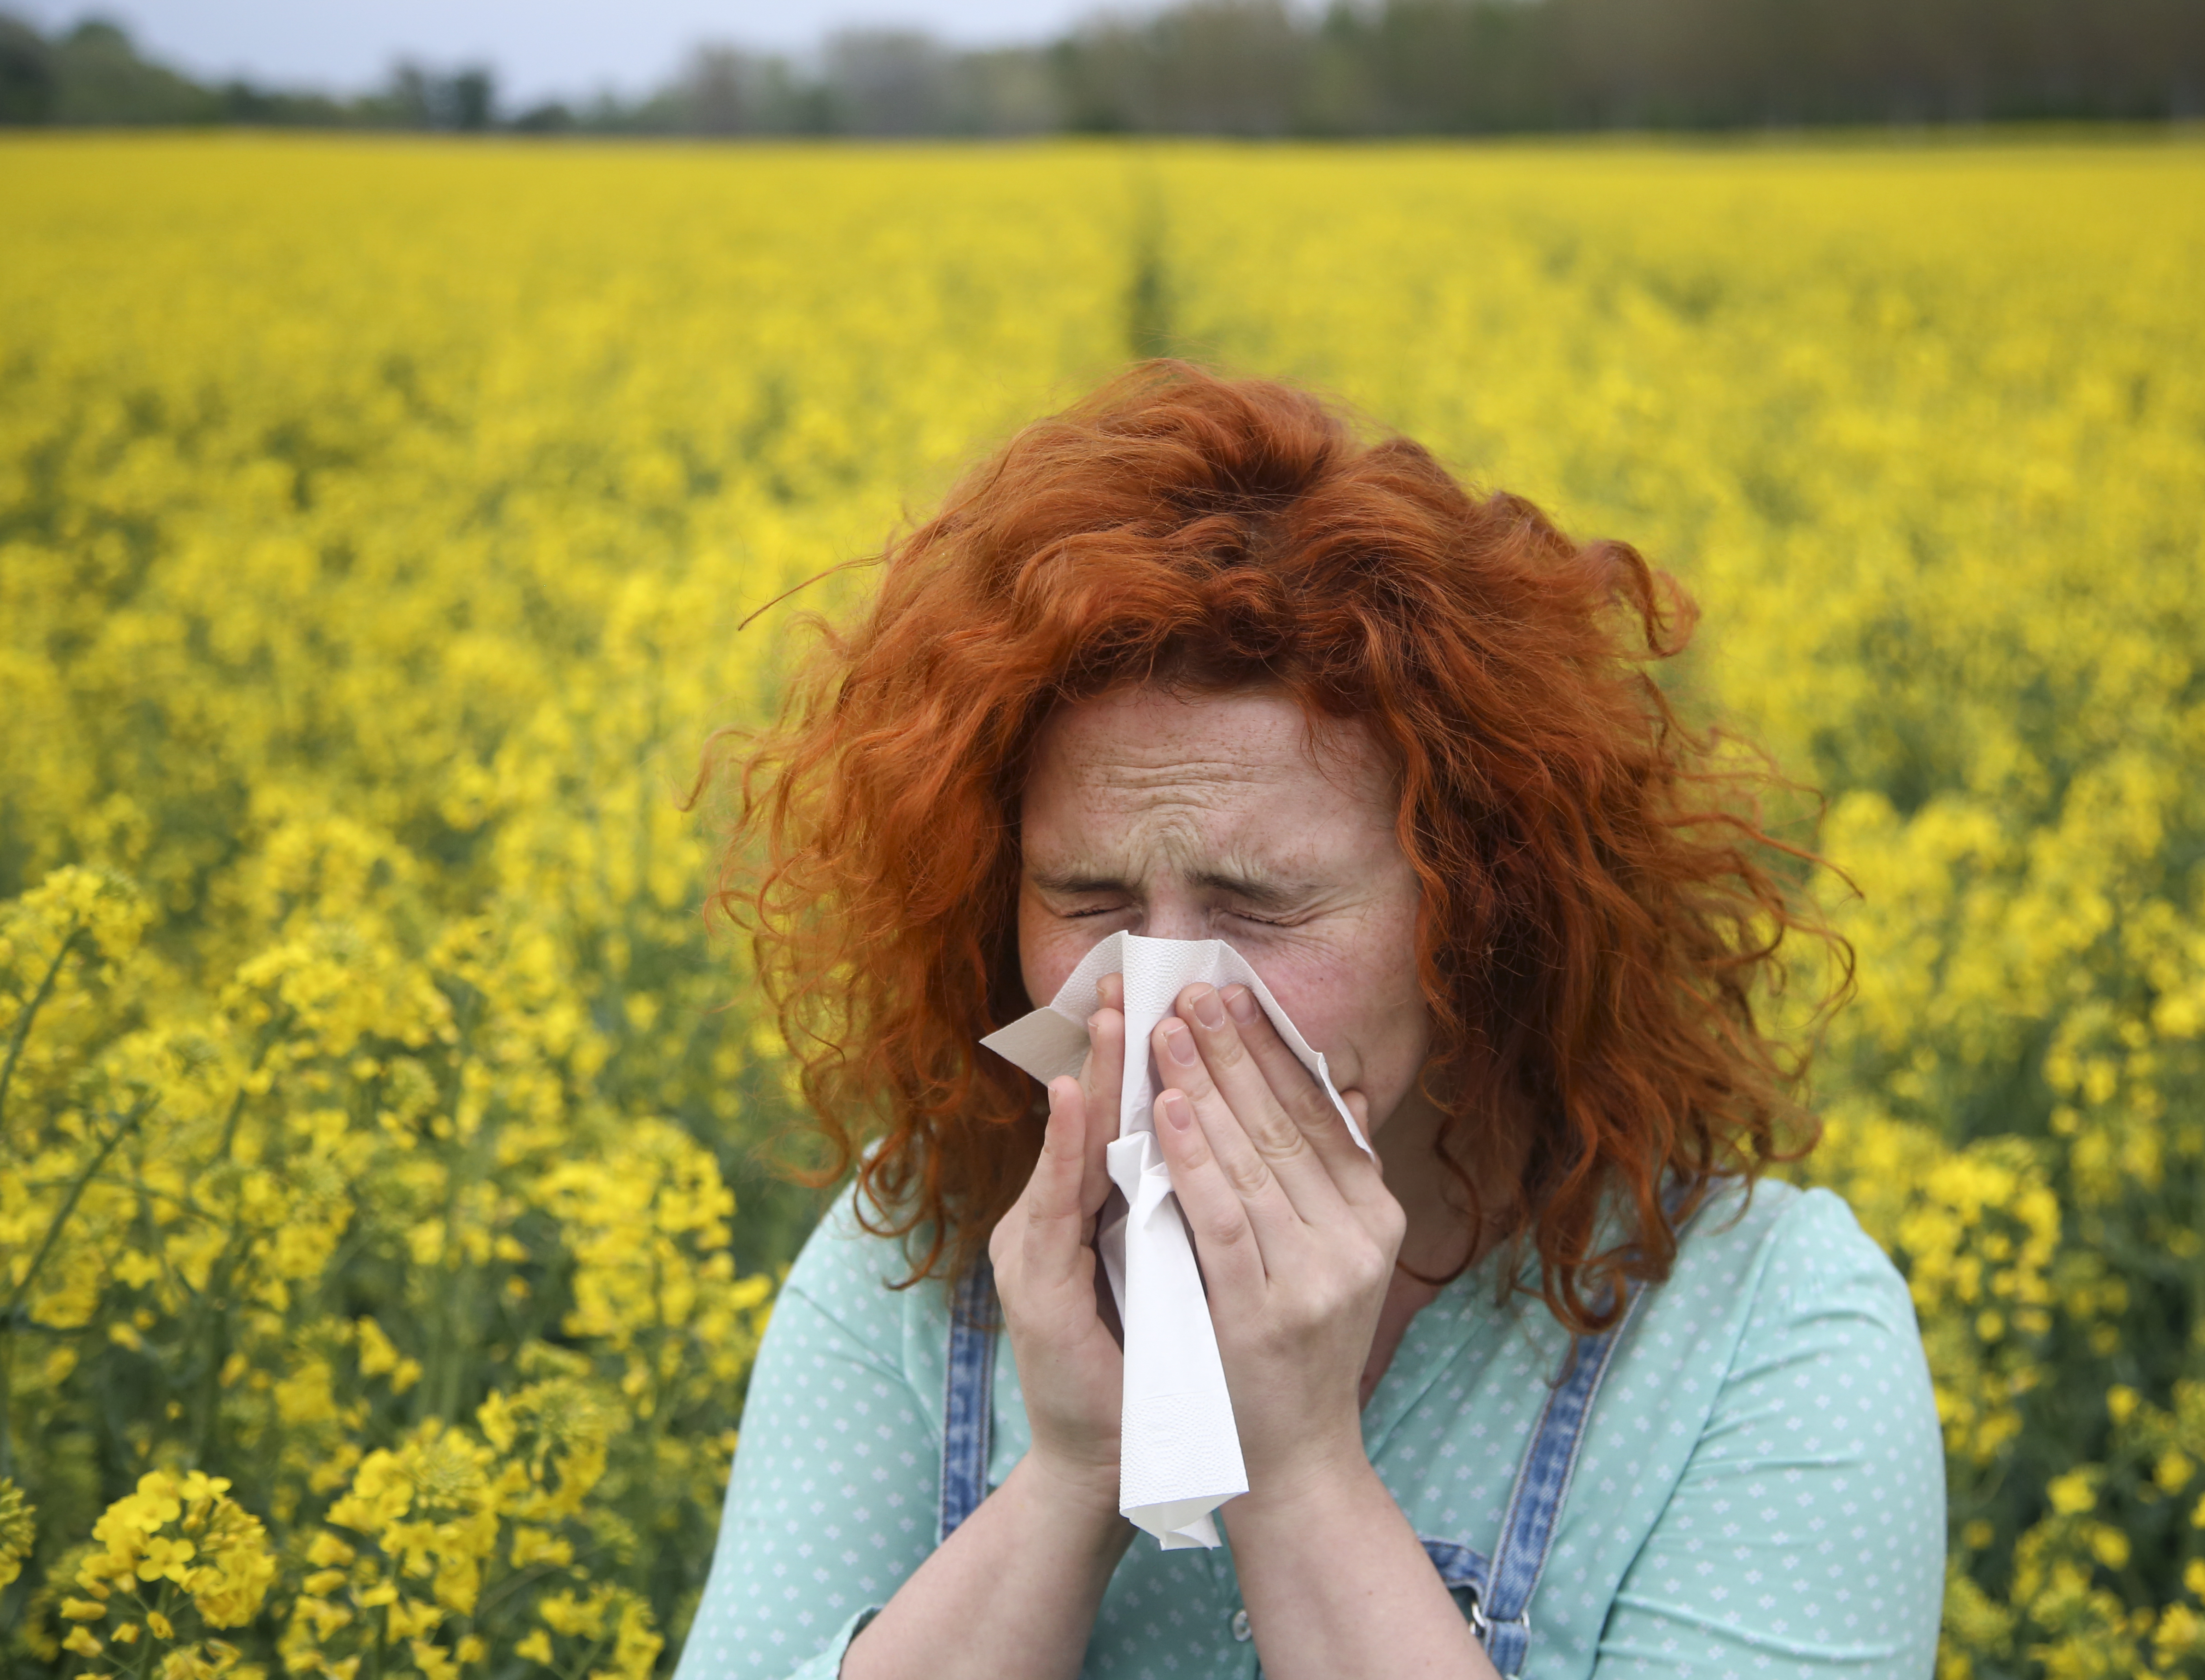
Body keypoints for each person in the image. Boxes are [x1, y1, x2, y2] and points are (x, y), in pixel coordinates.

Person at [678, 365, 1945, 1680]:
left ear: (1475, 917)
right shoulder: (924, 1258)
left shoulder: (1763, 1329)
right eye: (1087, 896)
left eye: (1260, 906)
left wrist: (1298, 1473)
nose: (1164, 997)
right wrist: (1076, 1476)